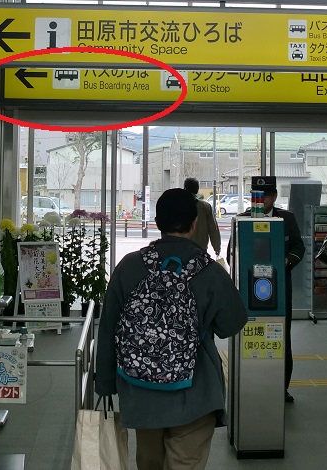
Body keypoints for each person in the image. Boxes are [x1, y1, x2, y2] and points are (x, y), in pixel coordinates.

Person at [95, 188, 247, 470]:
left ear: (157, 222)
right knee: (185, 462)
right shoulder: (209, 270)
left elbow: (107, 330)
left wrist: (105, 383)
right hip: (195, 393)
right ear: (194, 224)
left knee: (149, 461)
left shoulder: (130, 266)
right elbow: (232, 324)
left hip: (141, 390)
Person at [238, 177, 305, 402]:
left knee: (281, 336)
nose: (260, 199)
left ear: (274, 196)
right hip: (250, 288)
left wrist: (286, 261)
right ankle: (251, 387)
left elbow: (299, 247)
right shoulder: (243, 219)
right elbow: (232, 251)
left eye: (265, 195)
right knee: (251, 334)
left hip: (280, 285)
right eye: (256, 194)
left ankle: (282, 387)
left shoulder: (286, 218)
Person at [184, 177, 221, 257]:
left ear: (185, 189)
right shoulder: (205, 207)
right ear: (197, 190)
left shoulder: (179, 206)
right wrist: (217, 247)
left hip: (183, 247)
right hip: (201, 248)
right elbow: (213, 228)